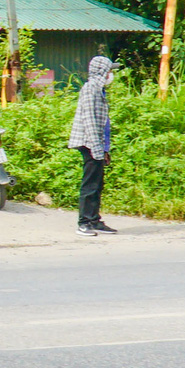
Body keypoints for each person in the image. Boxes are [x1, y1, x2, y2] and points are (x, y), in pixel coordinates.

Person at [68, 56, 116, 236]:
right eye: (109, 71)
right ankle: (84, 222)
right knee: (90, 184)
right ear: (102, 72)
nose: (111, 75)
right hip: (89, 143)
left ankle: (94, 220)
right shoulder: (90, 89)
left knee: (97, 183)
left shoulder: (99, 89)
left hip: (97, 143)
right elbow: (89, 120)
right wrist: (96, 147)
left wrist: (104, 148)